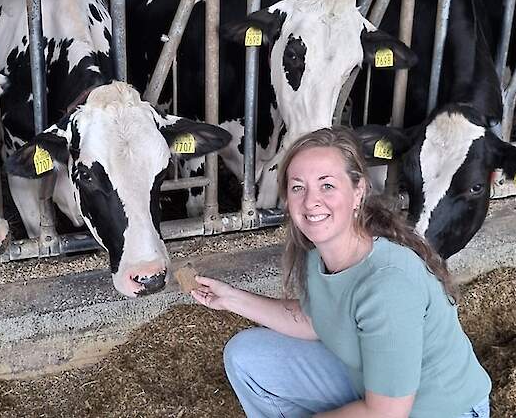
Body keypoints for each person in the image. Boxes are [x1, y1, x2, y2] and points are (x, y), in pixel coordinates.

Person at [189, 126, 491, 418]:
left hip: (442, 409)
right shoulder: (317, 254)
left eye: (327, 185)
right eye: (298, 187)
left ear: (358, 191)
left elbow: (386, 413)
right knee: (246, 356)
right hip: (373, 387)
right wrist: (230, 298)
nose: (310, 201)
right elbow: (316, 321)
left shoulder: (388, 285)